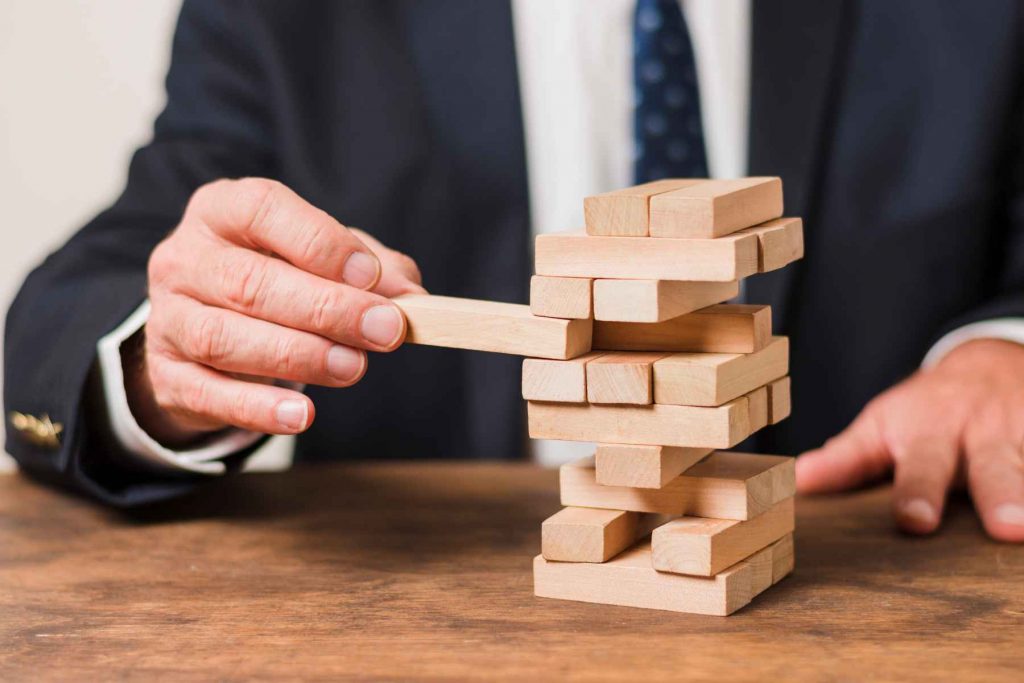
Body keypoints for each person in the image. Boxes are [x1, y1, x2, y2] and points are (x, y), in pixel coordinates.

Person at [5, 0, 1024, 542]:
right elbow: (67, 316)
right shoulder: (289, 17)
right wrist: (171, 364)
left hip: (868, 580)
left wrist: (1001, 347)